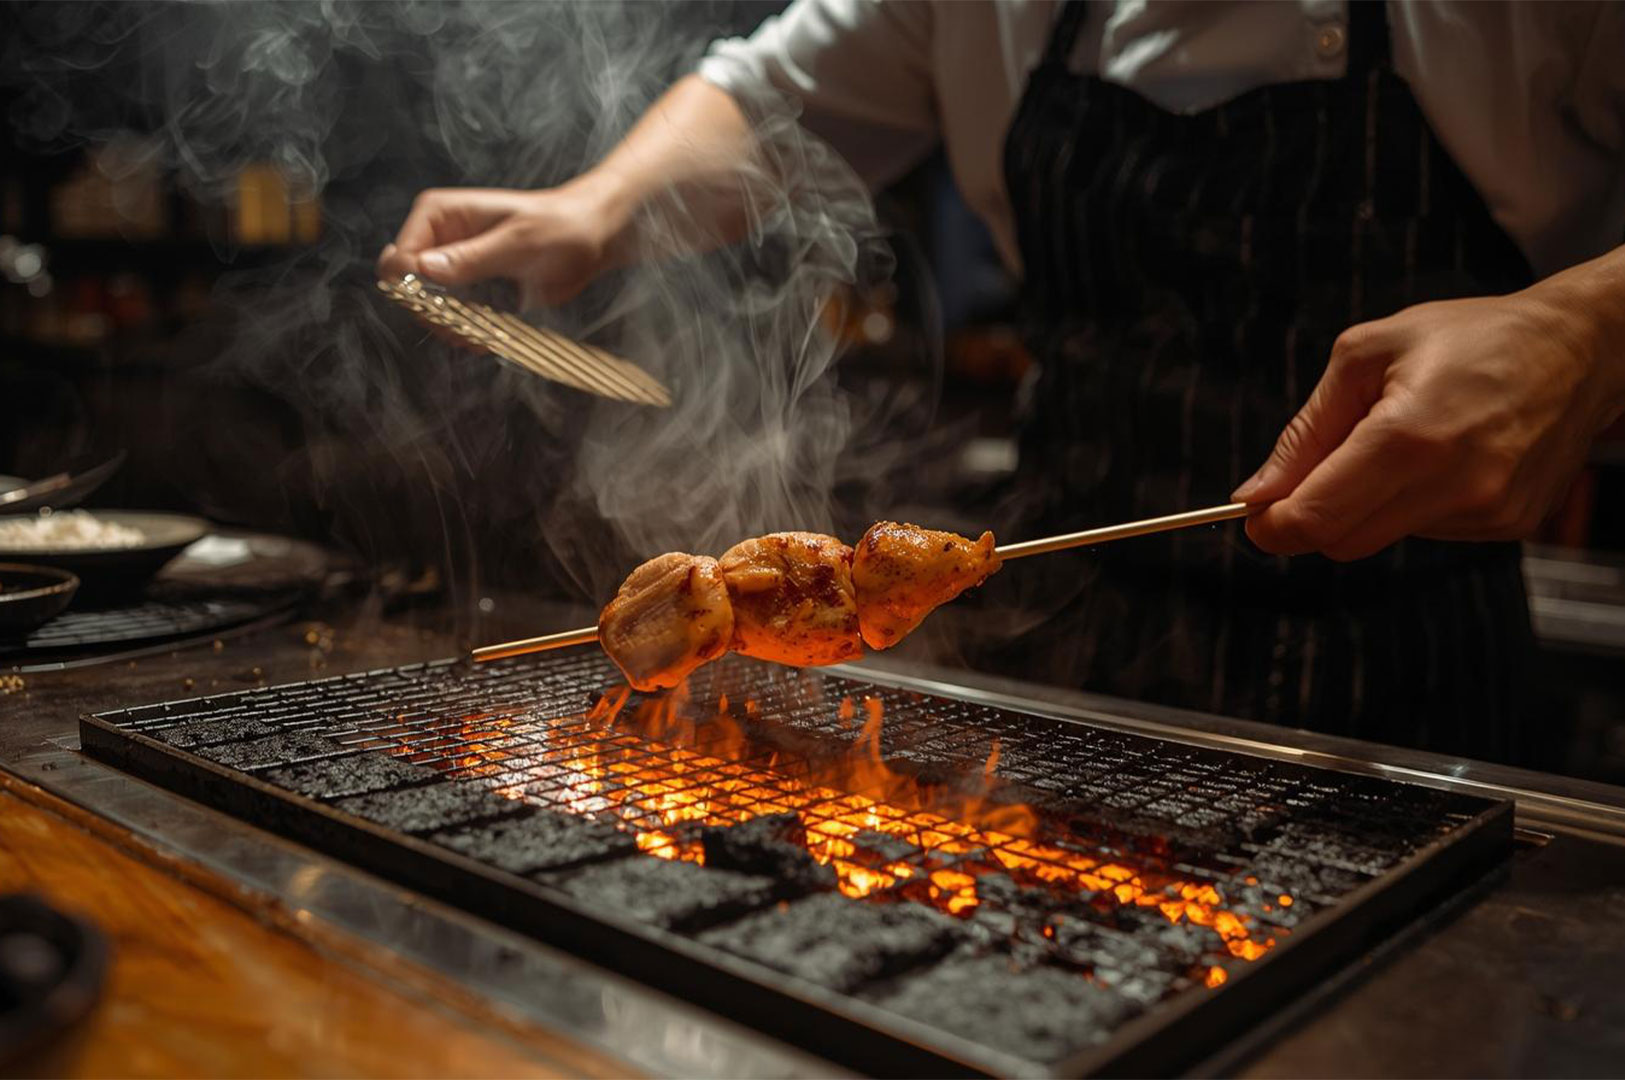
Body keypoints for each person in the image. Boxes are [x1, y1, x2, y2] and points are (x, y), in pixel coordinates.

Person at [379, 1, 1625, 761]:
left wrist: (1585, 322)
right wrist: (593, 211)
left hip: (1403, 684)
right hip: (1063, 652)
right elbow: (764, 99)